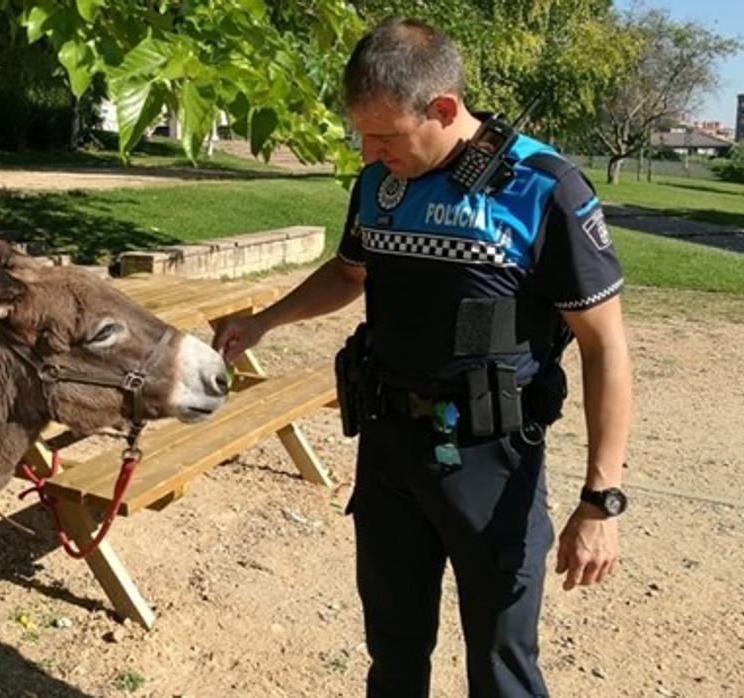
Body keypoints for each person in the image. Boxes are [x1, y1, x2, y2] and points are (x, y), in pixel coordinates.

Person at [212, 18, 632, 698]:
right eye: (362, 136)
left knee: (501, 667)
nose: (370, 152)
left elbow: (605, 343)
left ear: (442, 109)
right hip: (388, 449)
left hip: (490, 460)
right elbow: (350, 274)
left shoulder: (542, 188)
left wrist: (601, 499)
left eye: (383, 135)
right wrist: (263, 322)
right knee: (394, 652)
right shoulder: (381, 184)